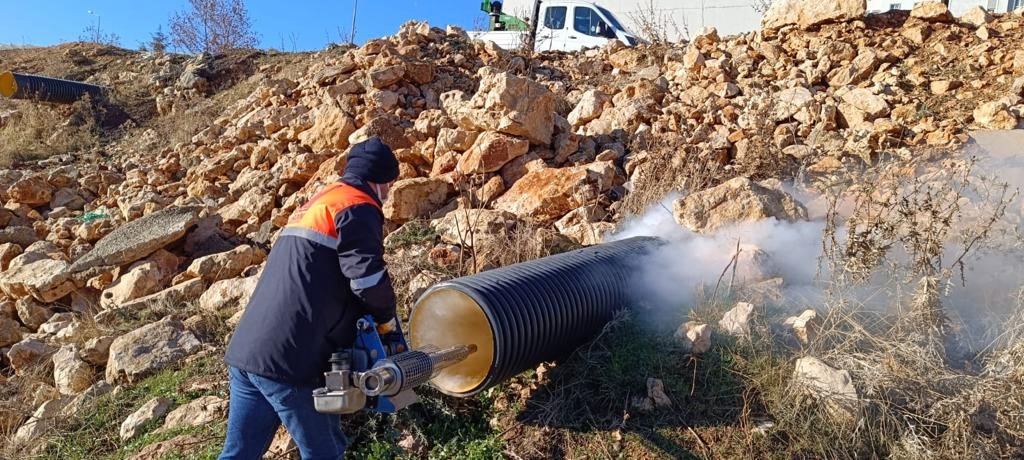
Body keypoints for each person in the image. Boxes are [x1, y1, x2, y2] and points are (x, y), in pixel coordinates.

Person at [219, 137, 400, 460]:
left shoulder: (321, 202)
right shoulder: (358, 206)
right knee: (325, 453)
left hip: (248, 353)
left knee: (239, 454)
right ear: (380, 181)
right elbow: (367, 280)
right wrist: (387, 320)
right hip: (287, 361)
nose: (387, 195)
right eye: (389, 185)